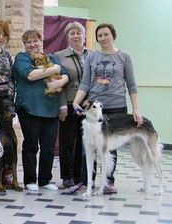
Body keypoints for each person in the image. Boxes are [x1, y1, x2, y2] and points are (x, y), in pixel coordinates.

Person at [73, 23, 143, 194]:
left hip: (117, 107)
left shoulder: (125, 57)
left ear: (113, 35)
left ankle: (108, 182)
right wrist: (76, 102)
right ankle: (87, 181)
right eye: (100, 35)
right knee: (88, 146)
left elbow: (132, 85)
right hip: (94, 108)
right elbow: (85, 83)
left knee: (110, 146)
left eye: (106, 34)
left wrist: (136, 109)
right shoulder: (91, 57)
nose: (103, 38)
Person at [12, 29, 68, 191]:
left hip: (51, 109)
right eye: (28, 42)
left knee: (48, 146)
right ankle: (30, 180)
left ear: (40, 41)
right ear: (24, 44)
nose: (32, 45)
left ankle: (45, 180)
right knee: (30, 145)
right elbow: (30, 75)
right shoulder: (22, 58)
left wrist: (60, 79)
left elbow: (66, 76)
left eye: (35, 41)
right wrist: (55, 69)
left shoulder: (51, 58)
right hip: (29, 108)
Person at [54, 22, 90, 189]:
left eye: (79, 32)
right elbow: (57, 82)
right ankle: (67, 177)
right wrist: (61, 105)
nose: (76, 36)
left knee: (86, 143)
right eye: (72, 33)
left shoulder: (92, 55)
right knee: (67, 142)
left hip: (88, 106)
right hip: (68, 104)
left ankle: (82, 177)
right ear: (67, 37)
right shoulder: (59, 56)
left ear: (84, 35)